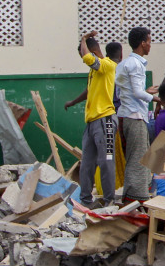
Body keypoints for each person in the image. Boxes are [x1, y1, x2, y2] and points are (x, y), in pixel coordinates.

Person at [76, 32, 118, 208]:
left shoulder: (107, 65)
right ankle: (85, 201)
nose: (83, 58)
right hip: (92, 122)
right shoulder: (94, 73)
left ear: (93, 51)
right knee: (87, 164)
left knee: (106, 161)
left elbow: (87, 57)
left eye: (84, 53)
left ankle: (109, 200)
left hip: (106, 120)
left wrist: (83, 39)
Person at [116, 26, 157, 204]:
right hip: (134, 116)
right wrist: (157, 99)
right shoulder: (136, 64)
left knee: (136, 156)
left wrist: (145, 93)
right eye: (149, 41)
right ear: (142, 43)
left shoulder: (124, 64)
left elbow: (125, 93)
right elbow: (138, 93)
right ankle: (136, 200)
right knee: (138, 158)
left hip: (127, 115)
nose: (150, 45)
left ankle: (134, 197)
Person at [64, 42, 123, 111]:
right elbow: (88, 91)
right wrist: (73, 102)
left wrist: (84, 38)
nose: (84, 61)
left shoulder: (108, 67)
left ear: (93, 54)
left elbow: (87, 58)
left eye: (83, 57)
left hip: (108, 112)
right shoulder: (95, 70)